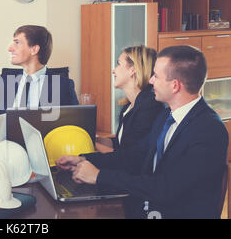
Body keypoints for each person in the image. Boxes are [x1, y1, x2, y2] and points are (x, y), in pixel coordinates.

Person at [56, 45, 228, 219]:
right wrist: (84, 159)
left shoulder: (209, 130)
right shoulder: (167, 116)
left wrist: (100, 176)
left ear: (175, 86)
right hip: (149, 208)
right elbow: (134, 156)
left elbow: (166, 188)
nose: (150, 80)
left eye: (156, 76)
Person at [0, 25, 78, 118]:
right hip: (8, 134)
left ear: (34, 49)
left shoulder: (63, 85)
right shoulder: (7, 81)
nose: (10, 49)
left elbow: (74, 124)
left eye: (17, 43)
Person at [95, 45, 164, 155]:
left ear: (133, 70)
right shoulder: (128, 106)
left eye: (118, 64)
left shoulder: (149, 107)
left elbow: (129, 158)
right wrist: (96, 140)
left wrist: (90, 145)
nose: (113, 70)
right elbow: (121, 144)